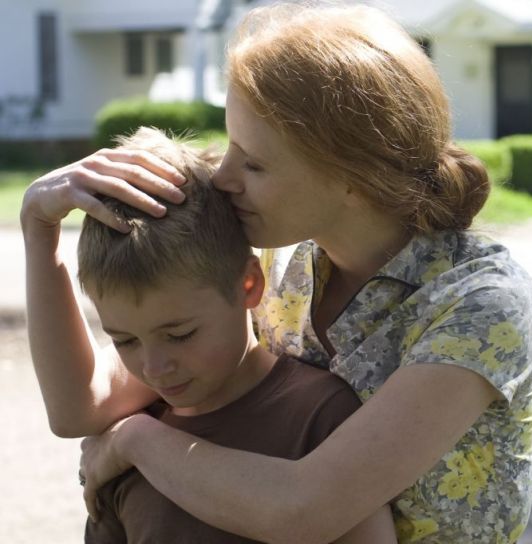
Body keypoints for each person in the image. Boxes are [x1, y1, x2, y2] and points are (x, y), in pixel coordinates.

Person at [20, 3, 532, 542]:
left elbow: (305, 508)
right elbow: (82, 404)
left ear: (350, 176)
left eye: (253, 162)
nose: (222, 177)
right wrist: (40, 230)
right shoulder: (279, 268)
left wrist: (134, 441)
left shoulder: (480, 301)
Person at [71, 128, 395, 543]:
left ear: (248, 286)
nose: (153, 368)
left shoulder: (322, 416)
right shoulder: (119, 441)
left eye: (181, 334)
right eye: (124, 341)